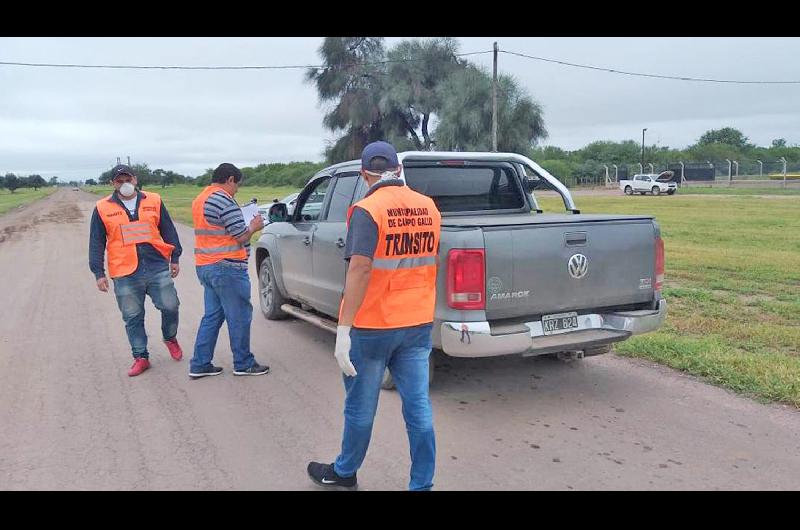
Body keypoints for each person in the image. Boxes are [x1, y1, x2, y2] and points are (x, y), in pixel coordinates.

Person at [307, 141, 442, 491]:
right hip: (416, 325)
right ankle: (422, 484)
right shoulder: (429, 207)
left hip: (372, 327)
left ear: (365, 174)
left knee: (361, 408)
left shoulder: (367, 210)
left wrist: (343, 330)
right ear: (398, 169)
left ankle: (345, 471)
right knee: (419, 410)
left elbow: (361, 270)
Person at [89, 164, 183, 377]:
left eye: (128, 179)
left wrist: (174, 256)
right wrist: (98, 272)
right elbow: (96, 242)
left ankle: (170, 337)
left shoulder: (154, 200)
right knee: (132, 316)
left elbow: (168, 229)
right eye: (119, 181)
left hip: (156, 264)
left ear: (135, 180)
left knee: (170, 306)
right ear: (112, 183)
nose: (125, 184)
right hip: (124, 271)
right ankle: (141, 357)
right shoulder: (102, 207)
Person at [188, 163, 270, 379]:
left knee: (213, 316)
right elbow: (241, 235)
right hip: (227, 267)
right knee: (240, 316)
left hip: (206, 265)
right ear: (230, 179)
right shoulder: (224, 199)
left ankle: (199, 363)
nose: (237, 190)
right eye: (237, 185)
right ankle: (243, 363)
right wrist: (254, 226)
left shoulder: (201, 198)